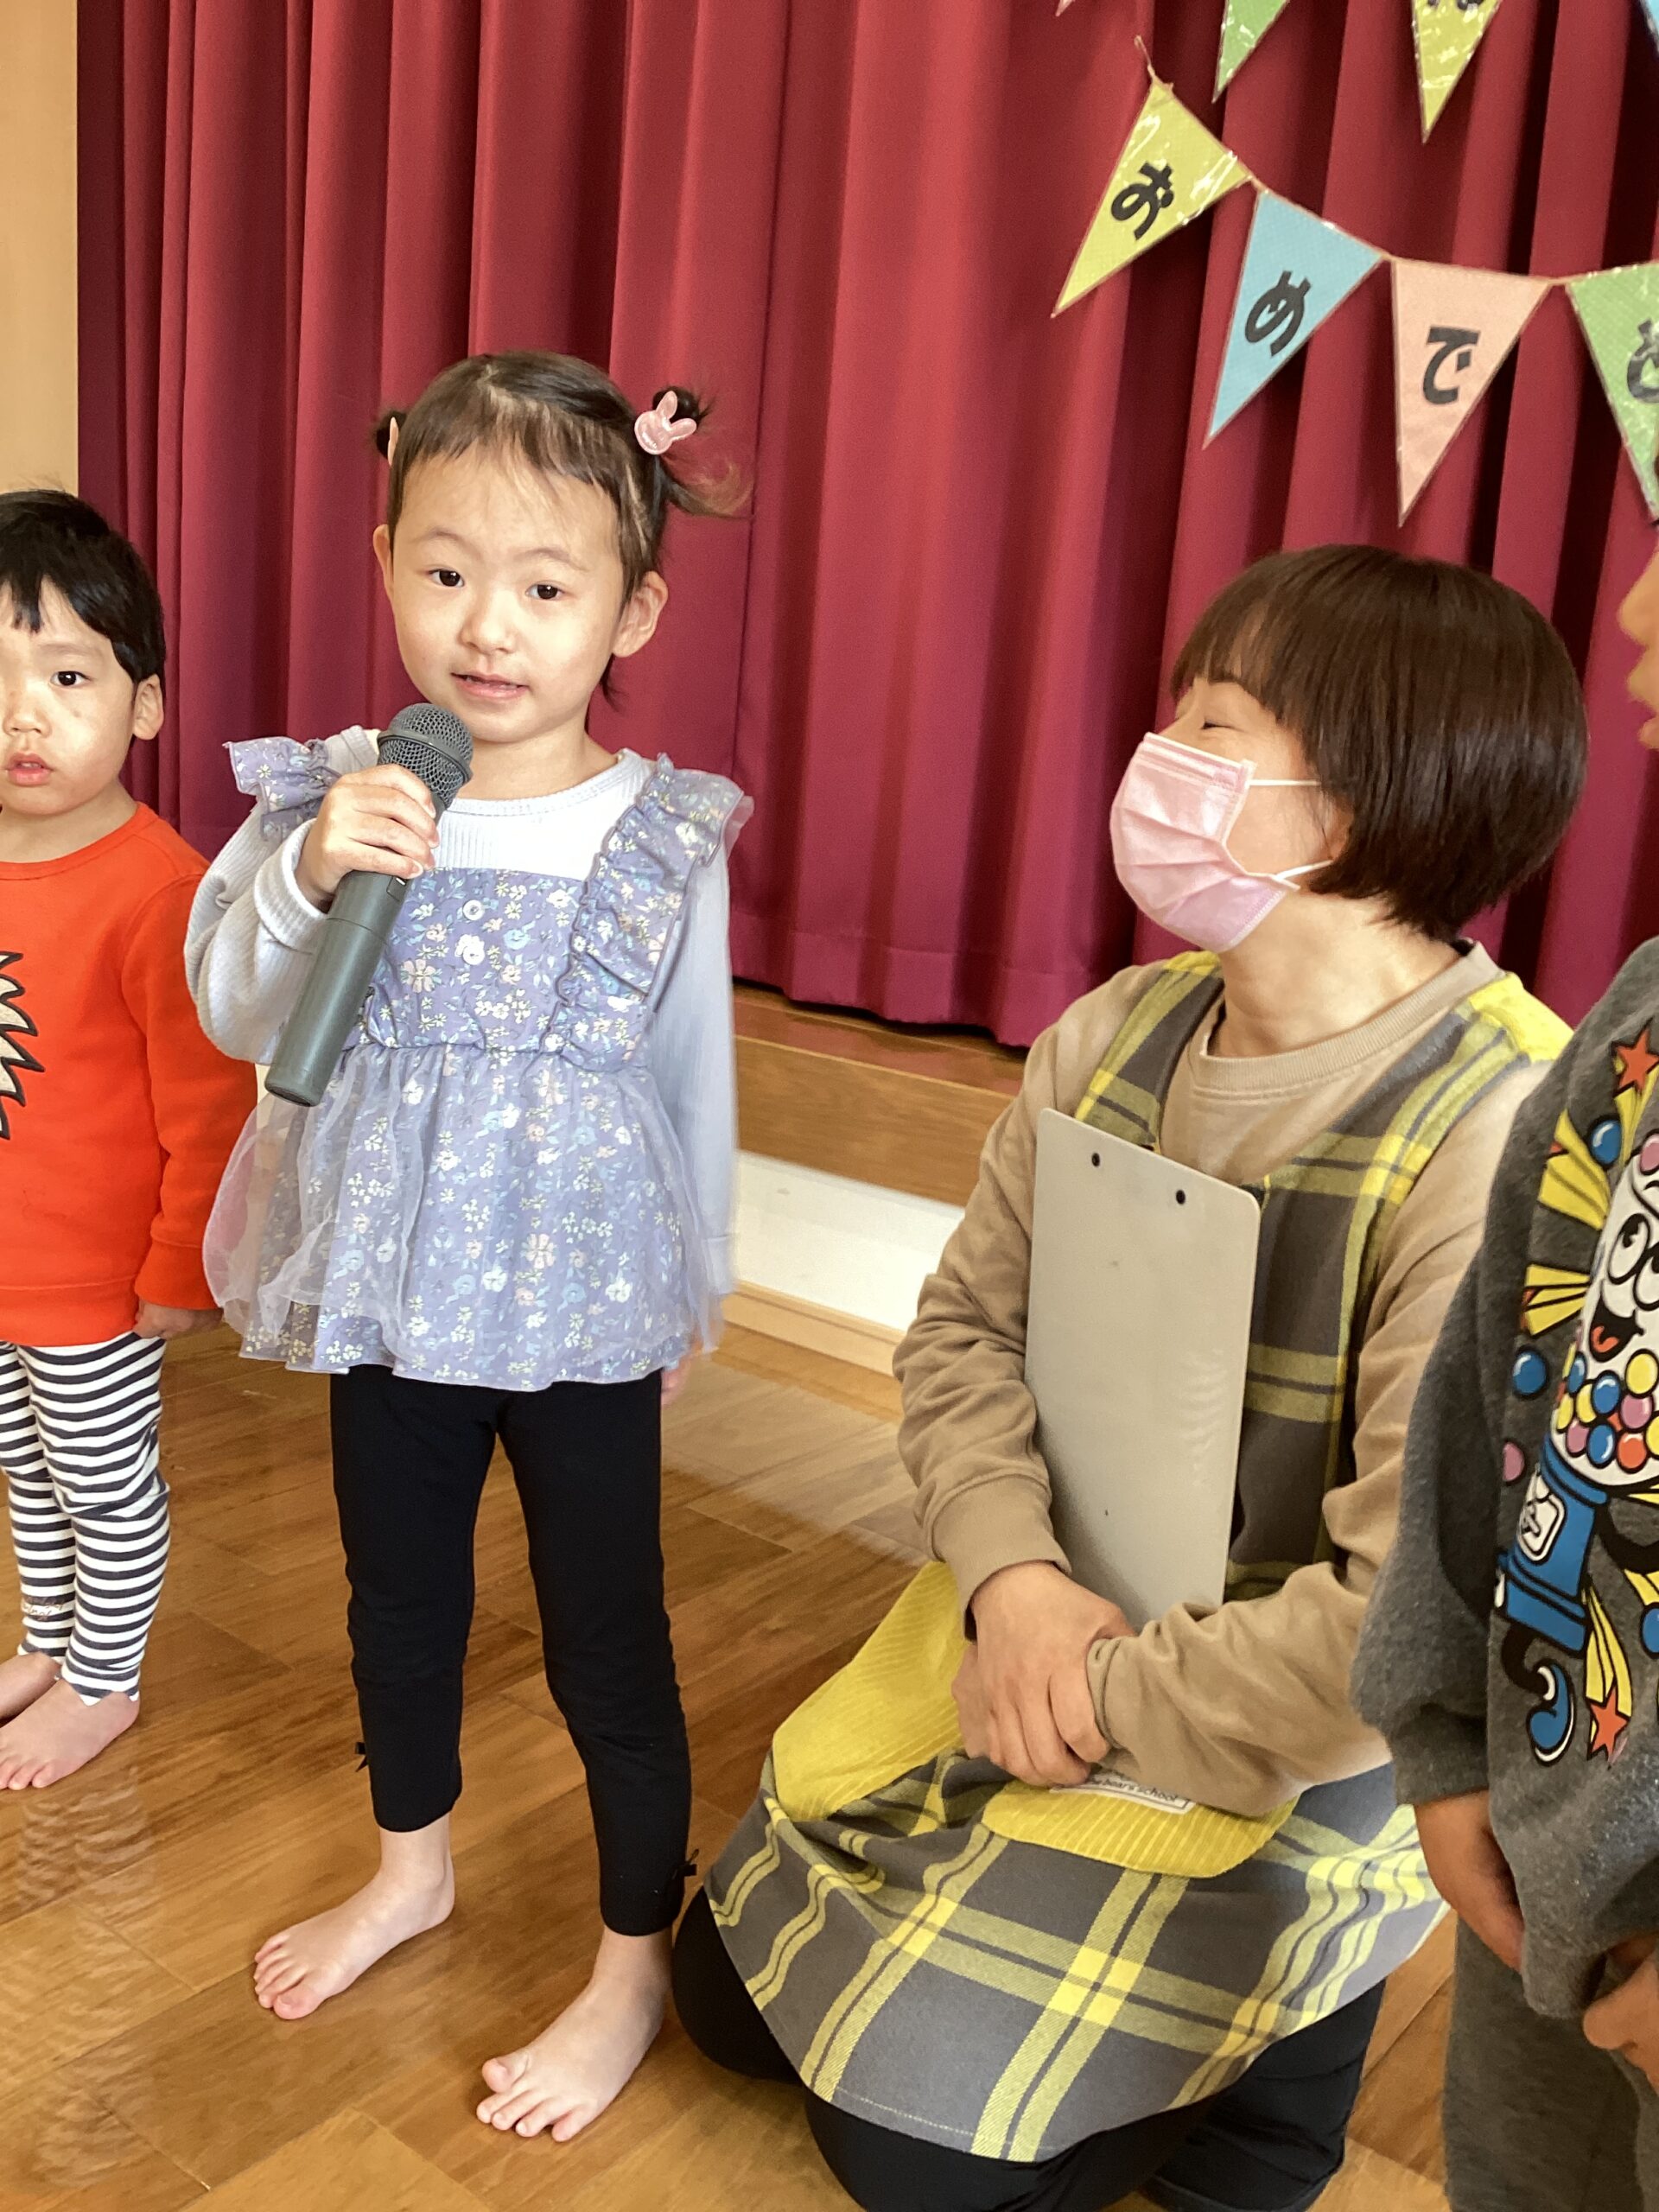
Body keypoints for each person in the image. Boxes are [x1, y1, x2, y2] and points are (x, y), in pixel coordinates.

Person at [673, 544, 1589, 2212]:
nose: (1158, 755)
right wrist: (1014, 1586)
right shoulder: (1114, 1034)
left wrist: (1094, 1694)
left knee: (912, 2167)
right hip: (1042, 1618)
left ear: (1359, 798)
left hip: (1298, 1720)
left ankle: (1282, 2079)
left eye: (1214, 723)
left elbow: (1402, 1615)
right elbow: (961, 1336)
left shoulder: (1504, 1133)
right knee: (722, 2006)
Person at [187, 352, 747, 2142]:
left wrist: (696, 1284)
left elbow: (691, 1078)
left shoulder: (659, 830)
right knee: (399, 1600)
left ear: (631, 609)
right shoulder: (341, 792)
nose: (487, 626)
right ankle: (409, 1867)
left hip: (585, 1303)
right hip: (393, 1290)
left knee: (608, 1638)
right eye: (443, 570)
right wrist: (305, 875)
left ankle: (631, 1954)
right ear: (383, 562)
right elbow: (235, 1011)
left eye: (546, 586)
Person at [1353, 531, 1659, 2211]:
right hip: (1544, 1872)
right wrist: (1447, 1734)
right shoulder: (1641, 1018)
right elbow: (1498, 1387)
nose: (1634, 604)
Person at [0, 491, 252, 1791]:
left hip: (97, 1280)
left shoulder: (165, 891)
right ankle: (48, 1642)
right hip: (6, 1266)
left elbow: (209, 1110)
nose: (22, 714)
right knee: (25, 1475)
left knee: (102, 1485)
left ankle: (105, 1679)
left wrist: (179, 1272)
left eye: (66, 676)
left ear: (144, 705)